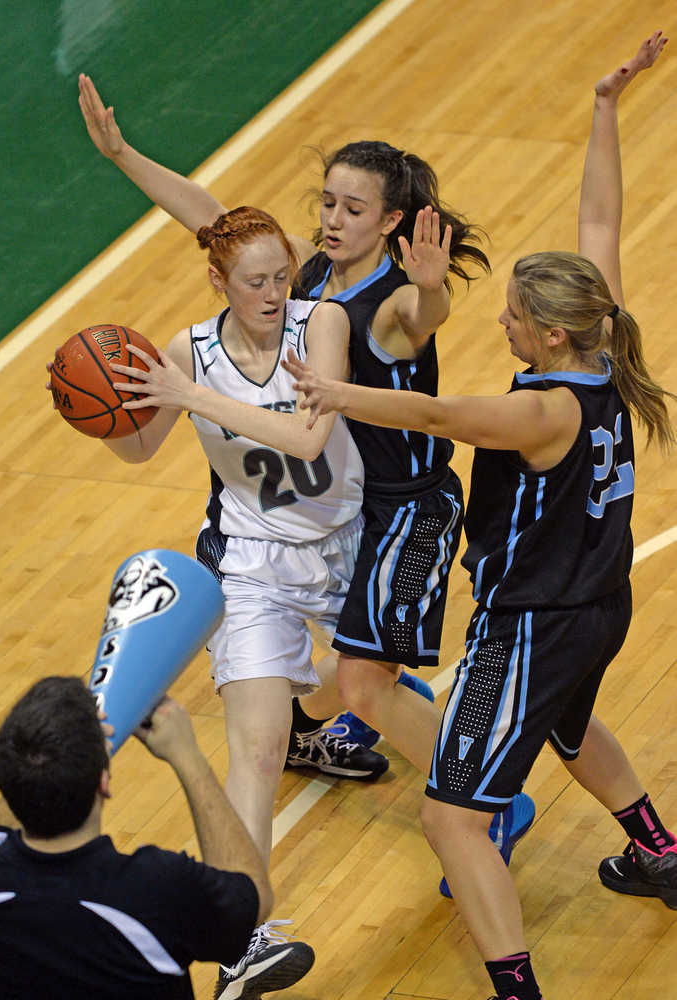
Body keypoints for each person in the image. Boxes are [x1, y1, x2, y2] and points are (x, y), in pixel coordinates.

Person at [281, 33, 675, 1000]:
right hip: (595, 607)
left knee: (451, 819)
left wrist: (333, 393)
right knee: (569, 729)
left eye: (508, 317)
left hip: (532, 621)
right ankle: (659, 852)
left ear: (546, 333)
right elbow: (598, 221)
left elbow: (430, 412)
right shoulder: (602, 349)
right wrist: (601, 107)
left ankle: (515, 990)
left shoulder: (540, 407)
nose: (495, 323)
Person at [78, 78, 536, 891]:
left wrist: (431, 284)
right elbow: (213, 223)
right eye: (326, 202)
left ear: (392, 221)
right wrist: (122, 155)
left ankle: (487, 795)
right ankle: (337, 728)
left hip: (406, 507)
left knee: (362, 678)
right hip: (339, 499)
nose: (330, 220)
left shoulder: (386, 299)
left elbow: (421, 317)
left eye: (352, 209)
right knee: (353, 676)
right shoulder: (308, 273)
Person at [65, 204, 390, 998]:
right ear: (218, 281)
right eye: (255, 282)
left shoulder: (324, 324)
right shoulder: (189, 350)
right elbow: (141, 447)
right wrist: (99, 405)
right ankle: (242, 939)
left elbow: (311, 440)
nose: (274, 292)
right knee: (252, 747)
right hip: (251, 563)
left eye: (281, 275)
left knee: (383, 694)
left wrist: (189, 395)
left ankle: (472, 782)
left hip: (350, 545)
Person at [0, 677, 273, 1000]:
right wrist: (188, 757)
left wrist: (45, 759)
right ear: (104, 783)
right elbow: (252, 896)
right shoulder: (157, 889)